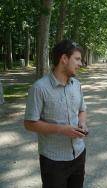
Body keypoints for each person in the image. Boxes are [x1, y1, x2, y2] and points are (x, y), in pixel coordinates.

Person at [24, 40, 88, 188]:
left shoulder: (77, 85)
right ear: (64, 59)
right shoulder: (39, 88)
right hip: (53, 161)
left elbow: (82, 109)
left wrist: (82, 123)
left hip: (79, 153)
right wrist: (61, 129)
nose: (81, 63)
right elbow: (29, 123)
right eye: (77, 59)